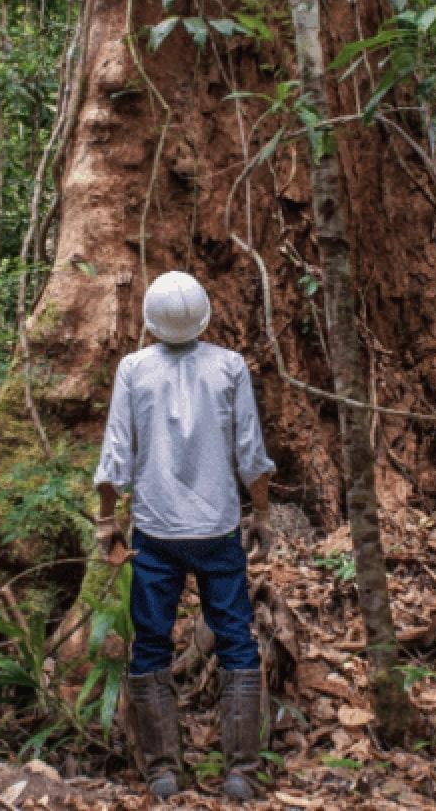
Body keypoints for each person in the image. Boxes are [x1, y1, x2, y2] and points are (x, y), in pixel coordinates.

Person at [94, 271, 276, 802]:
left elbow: (114, 456)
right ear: (204, 317)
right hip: (218, 529)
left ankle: (162, 773)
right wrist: (260, 512)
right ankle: (240, 771)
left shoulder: (133, 369)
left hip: (154, 531)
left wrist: (109, 521)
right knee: (237, 641)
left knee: (150, 645)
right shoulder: (229, 366)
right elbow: (251, 452)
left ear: (149, 320)